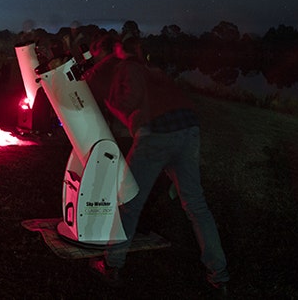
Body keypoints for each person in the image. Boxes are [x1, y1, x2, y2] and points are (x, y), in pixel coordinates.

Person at [86, 33, 229, 293]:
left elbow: (129, 100)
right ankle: (218, 274)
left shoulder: (127, 67)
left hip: (157, 132)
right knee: (196, 205)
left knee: (129, 201)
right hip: (188, 127)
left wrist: (109, 99)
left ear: (119, 49)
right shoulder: (153, 68)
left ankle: (112, 264)